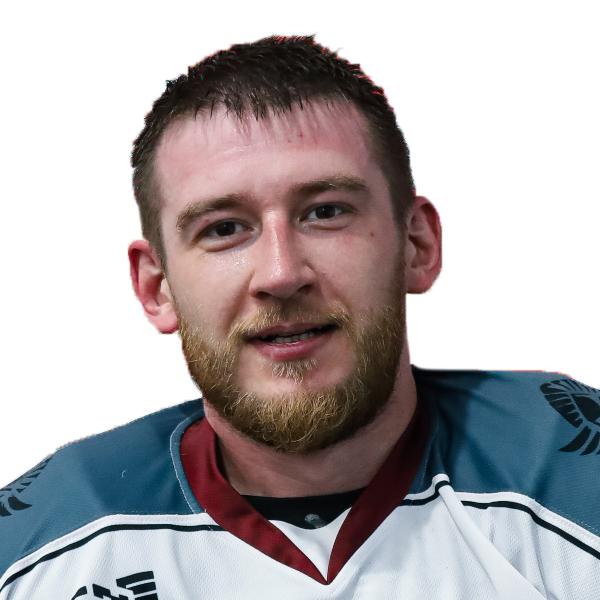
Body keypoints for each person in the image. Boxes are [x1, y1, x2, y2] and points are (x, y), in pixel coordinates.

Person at [1, 35, 598, 599]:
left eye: (326, 212)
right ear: (157, 287)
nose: (282, 273)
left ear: (416, 245)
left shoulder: (572, 481)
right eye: (224, 228)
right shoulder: (37, 550)